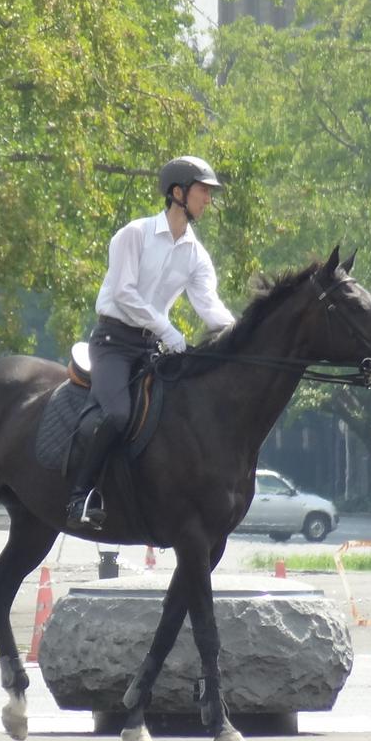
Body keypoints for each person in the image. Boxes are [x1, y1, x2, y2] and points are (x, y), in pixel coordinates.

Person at [65, 155, 236, 531]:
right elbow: (124, 293)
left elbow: (210, 306)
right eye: (203, 191)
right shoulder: (134, 235)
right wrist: (167, 329)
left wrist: (241, 337)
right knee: (117, 415)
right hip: (113, 342)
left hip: (151, 348)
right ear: (178, 193)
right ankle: (80, 496)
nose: (208, 200)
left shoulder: (196, 255)